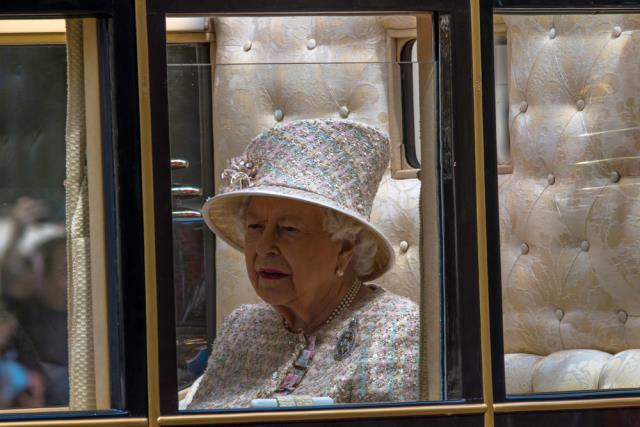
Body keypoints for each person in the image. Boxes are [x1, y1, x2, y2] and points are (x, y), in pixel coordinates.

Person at [185, 119, 419, 409]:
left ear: (344, 248)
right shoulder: (242, 327)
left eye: (289, 229)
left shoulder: (395, 330)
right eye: (256, 226)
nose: (263, 247)